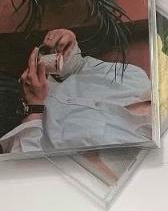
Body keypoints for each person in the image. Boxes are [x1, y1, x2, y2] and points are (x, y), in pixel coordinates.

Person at [0, 28, 152, 154]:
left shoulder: (132, 150)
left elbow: (28, 170)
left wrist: (33, 109)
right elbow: (79, 67)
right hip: (10, 82)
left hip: (8, 131)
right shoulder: (135, 76)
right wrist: (67, 47)